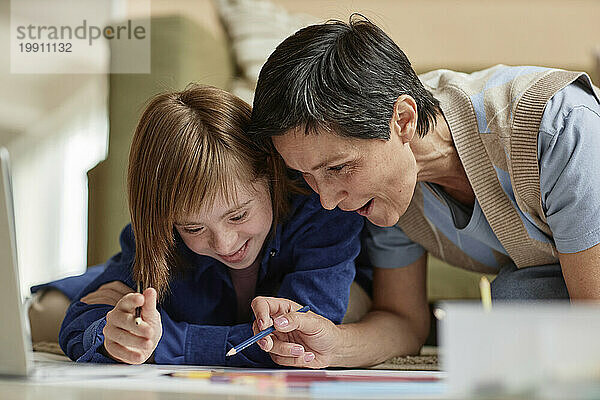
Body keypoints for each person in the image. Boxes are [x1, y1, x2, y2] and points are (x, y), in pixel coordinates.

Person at [245, 16, 600, 368]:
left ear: (403, 119)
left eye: (337, 168)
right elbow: (403, 320)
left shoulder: (558, 127)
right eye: (306, 175)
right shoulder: (391, 189)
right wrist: (329, 345)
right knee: (521, 300)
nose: (327, 200)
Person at [33, 84, 364, 366]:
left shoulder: (321, 208)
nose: (224, 244)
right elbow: (82, 325)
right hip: (133, 273)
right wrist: (112, 335)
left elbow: (298, 342)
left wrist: (164, 345)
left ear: (271, 172)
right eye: (193, 228)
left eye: (238, 216)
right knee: (43, 312)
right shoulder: (157, 234)